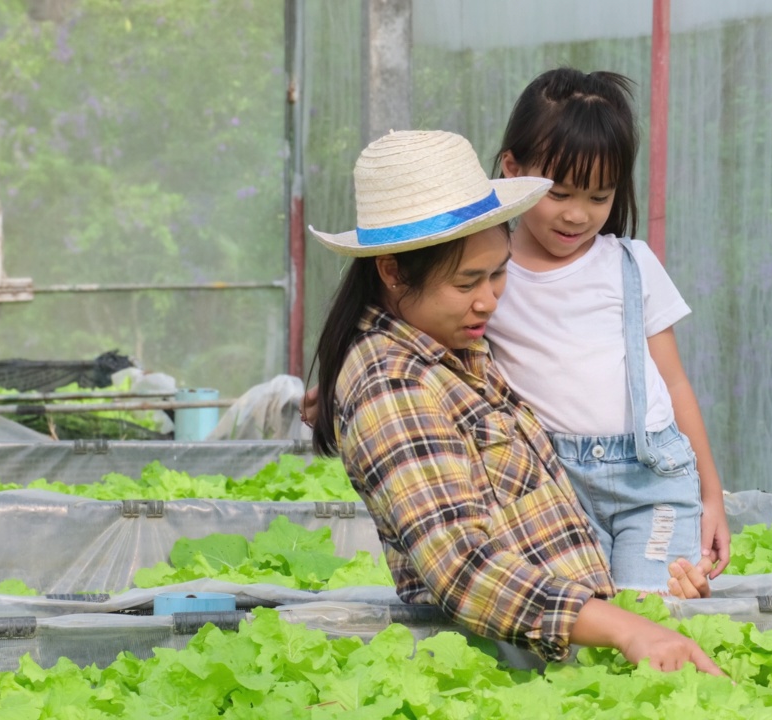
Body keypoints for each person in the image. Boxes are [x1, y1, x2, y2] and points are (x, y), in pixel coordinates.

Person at [307, 129, 722, 673]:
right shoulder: (392, 385)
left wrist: (644, 592)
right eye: (466, 282)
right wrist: (625, 628)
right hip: (521, 673)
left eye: (500, 273)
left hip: (574, 651)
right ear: (391, 270)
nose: (489, 300)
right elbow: (461, 567)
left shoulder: (458, 348)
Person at [491, 67, 731, 593]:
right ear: (513, 170)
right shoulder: (489, 272)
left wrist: (712, 496)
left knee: (654, 610)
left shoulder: (630, 263)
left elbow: (674, 382)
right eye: (561, 194)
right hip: (549, 487)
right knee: (575, 627)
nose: (578, 215)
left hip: (654, 482)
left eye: (599, 198)